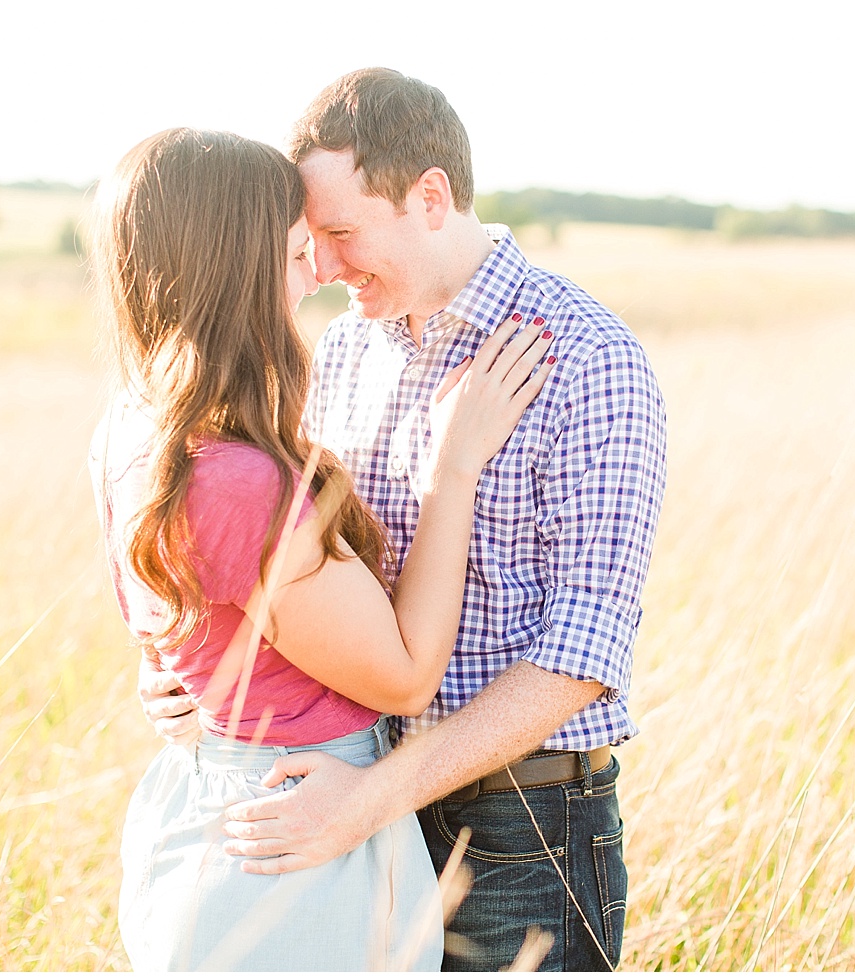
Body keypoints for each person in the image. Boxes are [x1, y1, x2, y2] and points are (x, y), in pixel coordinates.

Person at [142, 68, 668, 971]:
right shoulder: (340, 351)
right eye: (313, 239)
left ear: (430, 197)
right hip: (352, 805)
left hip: (521, 831)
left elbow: (582, 655)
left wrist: (371, 797)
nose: (326, 267)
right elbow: (297, 577)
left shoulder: (589, 357)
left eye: (344, 234)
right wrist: (199, 669)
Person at [90, 127, 554, 971]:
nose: (322, 269)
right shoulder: (237, 480)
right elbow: (407, 671)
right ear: (236, 260)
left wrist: (183, 678)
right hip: (292, 838)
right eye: (301, 244)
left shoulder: (133, 429)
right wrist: (451, 470)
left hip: (209, 804)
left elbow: (194, 629)